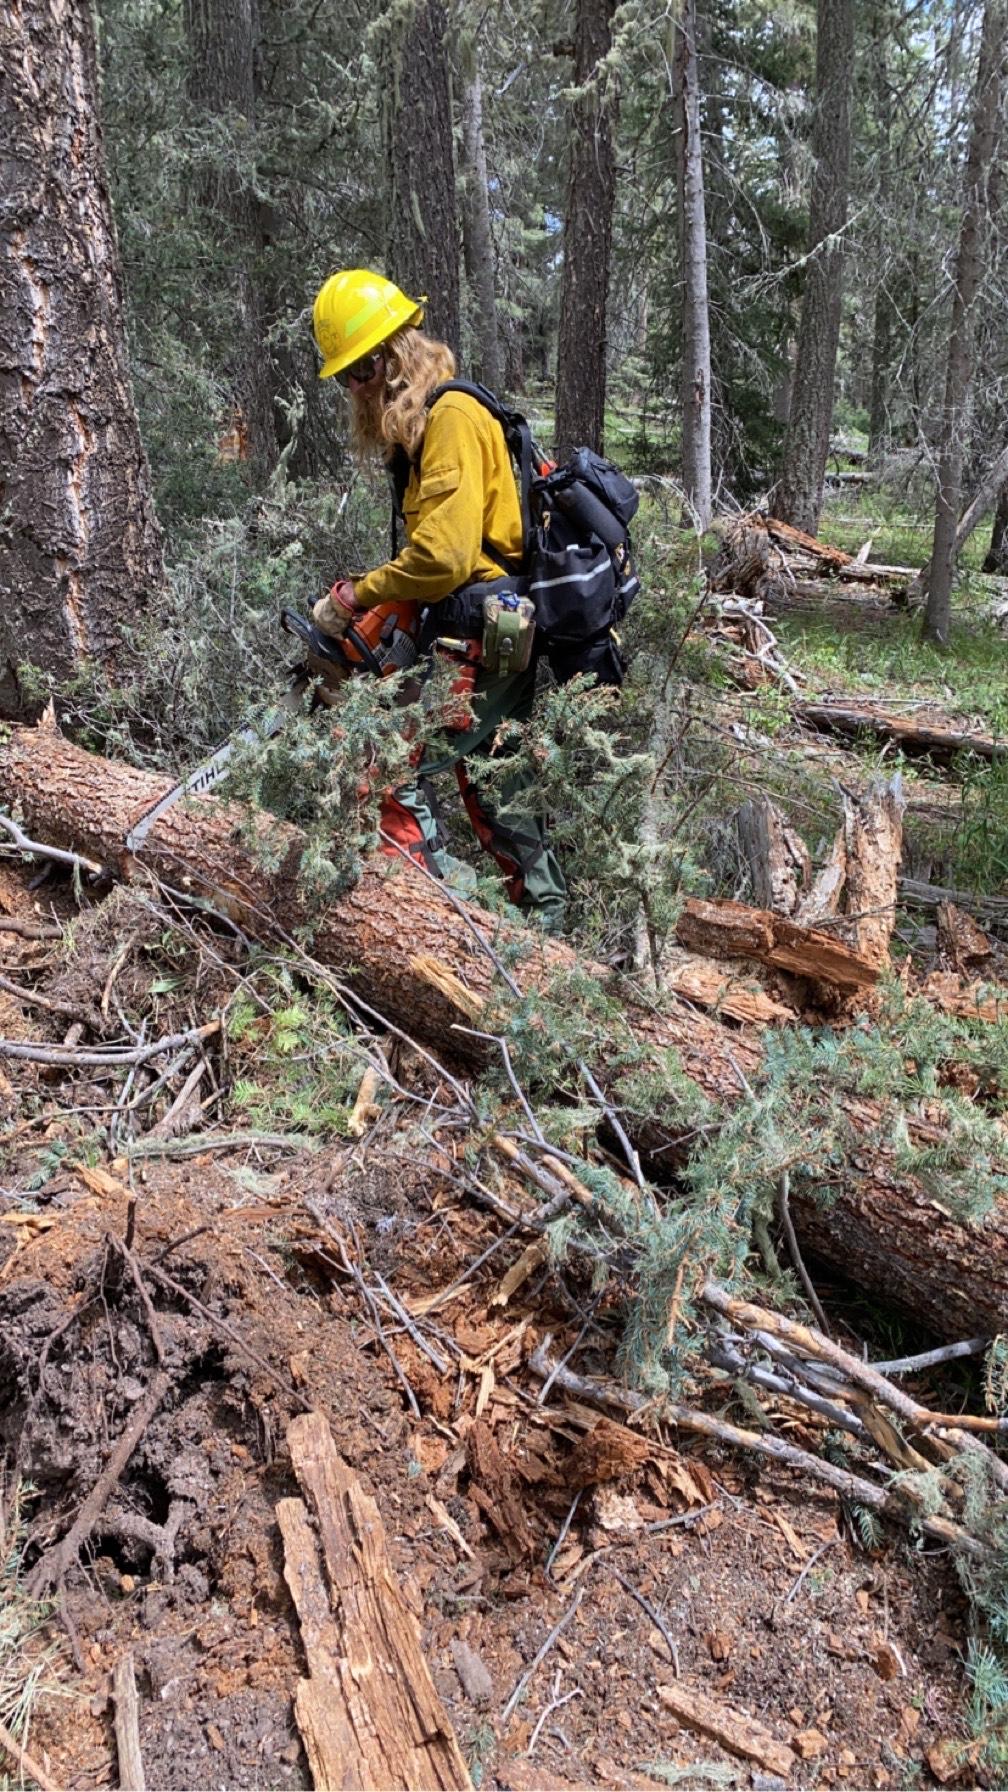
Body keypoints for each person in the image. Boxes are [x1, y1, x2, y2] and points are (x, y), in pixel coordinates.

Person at [310, 267, 566, 930]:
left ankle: (423, 918)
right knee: (494, 785)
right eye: (344, 378)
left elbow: (445, 559)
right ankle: (525, 922)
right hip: (469, 629)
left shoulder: (451, 417)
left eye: (356, 374)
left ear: (392, 358)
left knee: (391, 764)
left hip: (483, 631)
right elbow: (438, 558)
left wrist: (357, 593)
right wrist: (384, 606)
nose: (353, 391)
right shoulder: (422, 430)